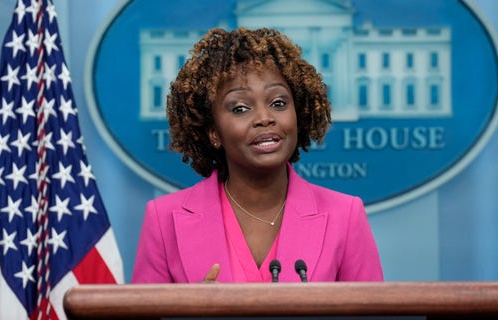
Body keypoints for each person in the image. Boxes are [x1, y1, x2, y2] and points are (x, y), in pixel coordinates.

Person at [132, 27, 383, 283]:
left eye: (278, 103)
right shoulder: (163, 220)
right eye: (240, 108)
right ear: (213, 132)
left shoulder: (345, 215)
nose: (264, 118)